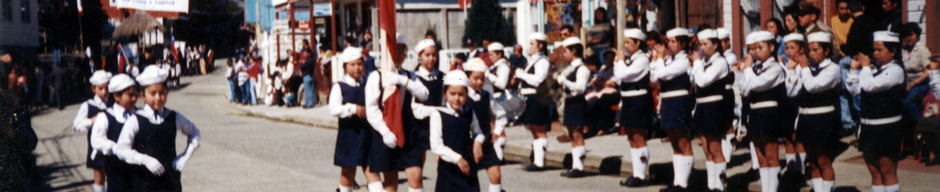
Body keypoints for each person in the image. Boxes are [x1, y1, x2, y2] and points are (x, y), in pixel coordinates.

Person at [112, 66, 201, 191]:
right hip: (144, 182)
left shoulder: (173, 117)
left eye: (162, 93)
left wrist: (185, 156)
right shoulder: (135, 120)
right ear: (142, 95)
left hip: (169, 182)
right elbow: (120, 149)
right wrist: (145, 160)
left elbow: (194, 134)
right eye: (153, 93)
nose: (158, 98)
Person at [364, 34, 429, 192]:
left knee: (416, 174)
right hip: (385, 132)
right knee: (391, 182)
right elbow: (371, 109)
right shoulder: (376, 76)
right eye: (395, 50)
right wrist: (385, 132)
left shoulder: (408, 75)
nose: (399, 55)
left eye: (402, 50)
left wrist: (403, 81)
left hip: (407, 132)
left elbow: (424, 94)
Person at [846, 31, 904, 192]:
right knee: (875, 173)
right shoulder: (872, 69)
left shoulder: (894, 71)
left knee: (888, 172)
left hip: (886, 128)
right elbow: (855, 90)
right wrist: (853, 70)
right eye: (874, 49)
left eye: (880, 50)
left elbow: (869, 86)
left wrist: (864, 68)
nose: (875, 53)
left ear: (893, 51)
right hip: (868, 127)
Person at [786, 32, 842, 192]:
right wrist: (791, 71)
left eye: (815, 50)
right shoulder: (807, 69)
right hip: (806, 119)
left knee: (823, 161)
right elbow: (792, 92)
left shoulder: (833, 69)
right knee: (812, 162)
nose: (810, 54)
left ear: (826, 51)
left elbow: (812, 86)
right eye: (809, 50)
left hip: (823, 119)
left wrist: (803, 69)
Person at [738, 31, 785, 192]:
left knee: (771, 156)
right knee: (760, 157)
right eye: (751, 49)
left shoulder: (775, 68)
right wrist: (742, 71)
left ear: (771, 47)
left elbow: (756, 85)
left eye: (759, 47)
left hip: (769, 113)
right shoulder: (755, 68)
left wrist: (748, 70)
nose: (755, 52)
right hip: (756, 113)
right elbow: (745, 89)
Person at [650, 28, 695, 192]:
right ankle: (677, 182)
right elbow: (654, 78)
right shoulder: (669, 60)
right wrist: (656, 60)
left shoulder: (684, 61)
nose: (669, 44)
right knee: (674, 143)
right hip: (668, 102)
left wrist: (660, 60)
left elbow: (663, 74)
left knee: (683, 142)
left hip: (679, 101)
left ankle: (683, 184)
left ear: (683, 43)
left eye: (674, 41)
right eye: (668, 41)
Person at [690, 29, 733, 192]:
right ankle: (711, 185)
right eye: (700, 44)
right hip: (701, 106)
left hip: (714, 106)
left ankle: (719, 186)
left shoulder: (720, 61)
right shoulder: (704, 61)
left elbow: (703, 81)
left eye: (706, 44)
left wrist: (696, 64)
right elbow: (694, 82)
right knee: (706, 148)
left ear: (715, 45)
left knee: (715, 147)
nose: (702, 47)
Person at [429, 71, 485, 192]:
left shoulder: (470, 113)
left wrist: (478, 142)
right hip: (449, 169)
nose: (456, 98)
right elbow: (436, 145)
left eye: (461, 94)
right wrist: (457, 159)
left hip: (468, 167)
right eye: (452, 94)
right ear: (445, 93)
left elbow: (478, 132)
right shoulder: (438, 114)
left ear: (466, 94)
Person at [329, 48, 375, 192]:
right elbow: (333, 109)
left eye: (360, 64)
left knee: (371, 169)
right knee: (348, 172)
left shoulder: (368, 83)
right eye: (352, 64)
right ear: (345, 66)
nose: (357, 68)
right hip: (349, 134)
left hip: (367, 133)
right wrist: (352, 109)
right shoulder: (339, 86)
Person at [613, 28, 653, 187]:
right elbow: (618, 79)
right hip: (628, 101)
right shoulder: (628, 60)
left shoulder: (642, 59)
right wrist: (619, 62)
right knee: (630, 136)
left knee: (638, 136)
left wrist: (620, 61)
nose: (626, 46)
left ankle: (642, 175)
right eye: (625, 42)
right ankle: (636, 173)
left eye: (630, 42)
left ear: (638, 43)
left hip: (638, 101)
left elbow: (624, 75)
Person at [463, 58, 507, 192]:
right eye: (476, 78)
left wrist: (497, 131)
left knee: (496, 176)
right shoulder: (462, 96)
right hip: (467, 145)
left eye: (482, 79)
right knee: (469, 180)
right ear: (467, 76)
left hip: (486, 144)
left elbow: (500, 114)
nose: (480, 82)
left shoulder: (487, 96)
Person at [89, 74, 137, 191]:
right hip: (116, 170)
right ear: (116, 96)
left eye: (135, 95)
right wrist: (115, 148)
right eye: (130, 95)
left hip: (137, 169)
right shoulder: (106, 116)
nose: (134, 99)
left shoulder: (138, 114)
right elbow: (96, 140)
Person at [554, 37, 591, 178]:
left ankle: (579, 167)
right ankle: (575, 166)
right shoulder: (570, 68)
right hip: (570, 102)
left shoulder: (582, 69)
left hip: (577, 103)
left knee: (577, 134)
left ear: (574, 51)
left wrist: (565, 82)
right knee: (571, 134)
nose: (564, 54)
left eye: (566, 51)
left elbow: (580, 88)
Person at [515, 33, 552, 172]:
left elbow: (539, 80)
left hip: (537, 98)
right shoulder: (531, 61)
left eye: (532, 44)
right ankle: (536, 160)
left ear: (540, 45)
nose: (529, 47)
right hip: (528, 98)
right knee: (533, 129)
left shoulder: (543, 61)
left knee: (539, 129)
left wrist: (522, 75)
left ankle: (539, 162)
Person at [73, 71, 111, 192]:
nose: (104, 92)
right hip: (96, 147)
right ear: (94, 89)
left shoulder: (113, 103)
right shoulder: (88, 105)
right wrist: (91, 121)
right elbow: (77, 125)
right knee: (99, 178)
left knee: (113, 176)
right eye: (100, 88)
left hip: (112, 144)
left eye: (107, 88)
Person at [778, 33, 808, 177]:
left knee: (798, 137)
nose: (789, 51)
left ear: (801, 49)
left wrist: (791, 70)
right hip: (786, 105)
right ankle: (791, 169)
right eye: (787, 48)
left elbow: (794, 90)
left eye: (792, 47)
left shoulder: (803, 67)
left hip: (798, 103)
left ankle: (800, 170)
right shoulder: (784, 65)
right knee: (787, 137)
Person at [900, 23, 932, 121]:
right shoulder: (904, 50)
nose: (908, 38)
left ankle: (921, 122)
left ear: (917, 35)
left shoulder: (922, 49)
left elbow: (928, 72)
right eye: (905, 36)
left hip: (923, 84)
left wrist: (913, 83)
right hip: (909, 85)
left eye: (910, 35)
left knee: (907, 101)